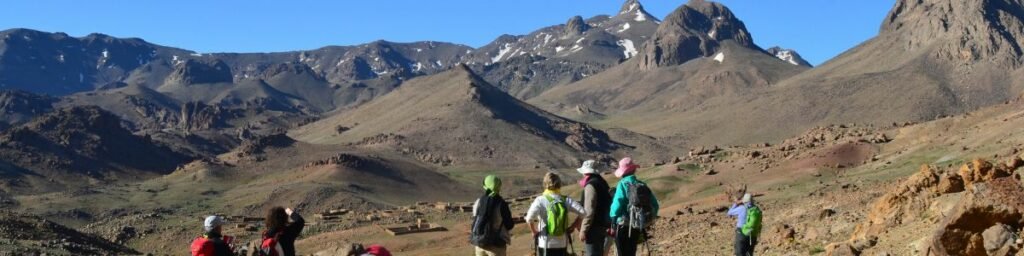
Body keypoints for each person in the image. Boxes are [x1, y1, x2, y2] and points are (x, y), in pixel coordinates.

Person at [526, 172, 586, 256]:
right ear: (559, 184)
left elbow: (529, 218)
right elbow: (583, 212)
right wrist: (573, 226)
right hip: (562, 243)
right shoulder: (565, 200)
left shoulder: (540, 200)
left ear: (545, 184)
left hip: (545, 243)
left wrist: (534, 231)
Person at [609, 157, 659, 256]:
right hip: (637, 224)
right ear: (634, 169)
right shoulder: (641, 184)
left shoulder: (622, 184)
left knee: (622, 253)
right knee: (631, 251)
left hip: (622, 224)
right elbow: (655, 205)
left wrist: (613, 219)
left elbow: (617, 203)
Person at [470, 175, 515, 256]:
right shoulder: (501, 204)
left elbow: (476, 219)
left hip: (480, 243)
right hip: (496, 246)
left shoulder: (478, 202)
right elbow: (509, 225)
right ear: (499, 186)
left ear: (485, 185)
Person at [576, 160, 613, 256]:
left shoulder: (591, 185)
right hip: (604, 225)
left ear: (585, 173)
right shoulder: (602, 182)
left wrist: (583, 230)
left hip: (594, 229)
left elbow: (589, 210)